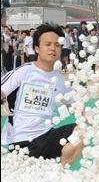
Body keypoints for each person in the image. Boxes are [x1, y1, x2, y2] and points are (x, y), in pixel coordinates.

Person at [1, 23, 85, 166]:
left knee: (83, 132)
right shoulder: (24, 72)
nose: (53, 48)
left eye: (57, 45)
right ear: (37, 49)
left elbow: (78, 108)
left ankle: (61, 172)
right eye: (47, 44)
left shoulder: (59, 80)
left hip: (47, 137)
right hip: (20, 141)